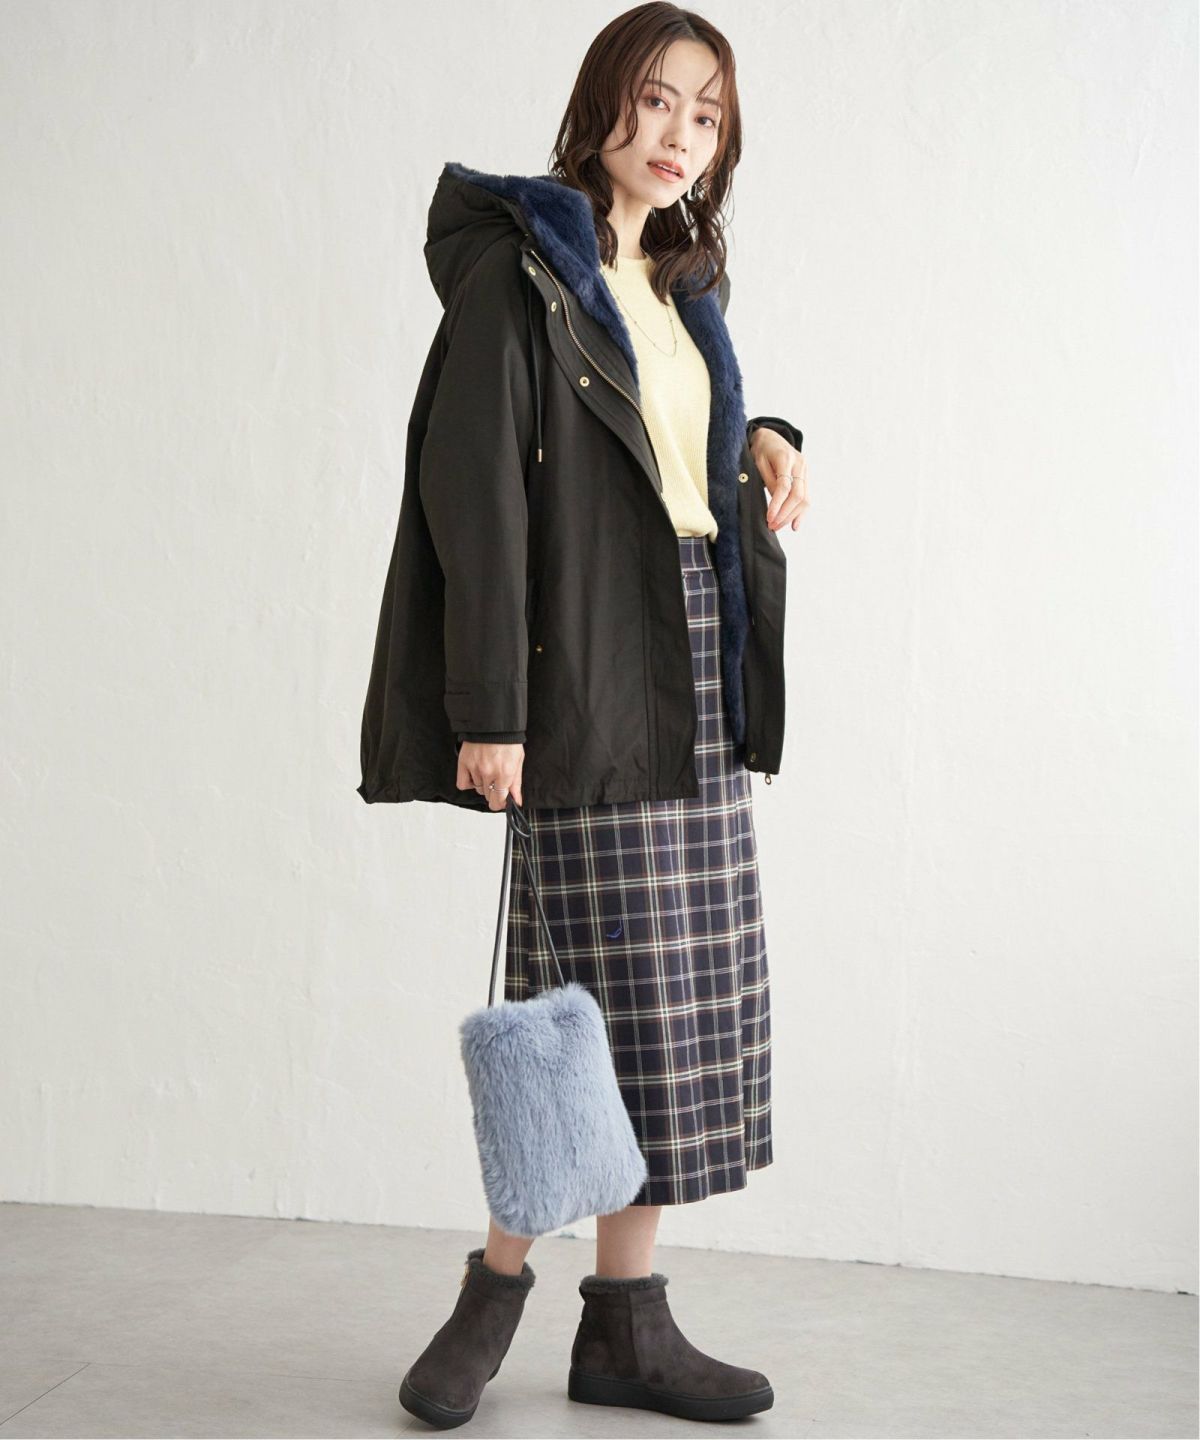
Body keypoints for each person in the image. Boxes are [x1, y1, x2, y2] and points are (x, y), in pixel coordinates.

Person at [357, 3, 810, 1427]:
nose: (680, 136)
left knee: (673, 1012)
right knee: (583, 1006)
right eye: (658, 100)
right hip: (581, 668)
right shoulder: (525, 274)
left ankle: (627, 1322)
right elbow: (478, 495)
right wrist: (489, 707)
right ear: (603, 101)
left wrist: (762, 435)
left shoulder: (682, 285)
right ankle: (496, 1288)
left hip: (695, 660)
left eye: (707, 116)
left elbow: (665, 453)